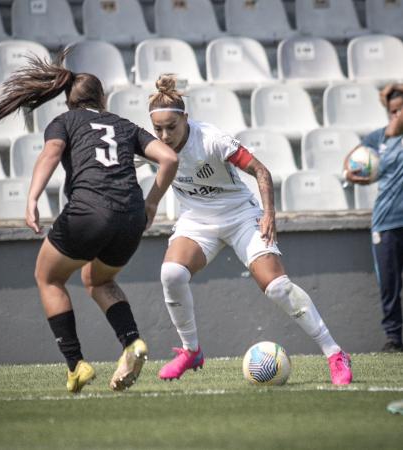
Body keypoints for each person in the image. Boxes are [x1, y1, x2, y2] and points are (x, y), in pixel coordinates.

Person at [0, 53, 178, 392]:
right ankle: (132, 342)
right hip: (130, 215)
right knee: (97, 280)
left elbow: (50, 153)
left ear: (69, 100)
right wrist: (151, 204)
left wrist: (31, 199)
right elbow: (169, 158)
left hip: (90, 209)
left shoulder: (64, 122)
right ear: (102, 99)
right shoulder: (124, 124)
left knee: (48, 277)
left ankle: (76, 364)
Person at [148, 74, 353, 385]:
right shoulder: (153, 146)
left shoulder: (211, 139)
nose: (164, 135)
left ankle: (335, 353)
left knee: (278, 288)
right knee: (171, 274)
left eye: (171, 127)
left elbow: (260, 170)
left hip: (240, 215)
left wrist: (269, 213)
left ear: (186, 119)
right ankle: (191, 351)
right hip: (197, 221)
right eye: (157, 129)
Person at [344, 83, 403, 353]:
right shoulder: (379, 138)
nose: (398, 114)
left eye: (402, 109)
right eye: (393, 110)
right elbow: (351, 164)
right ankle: (394, 339)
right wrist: (352, 173)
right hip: (387, 222)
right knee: (389, 284)